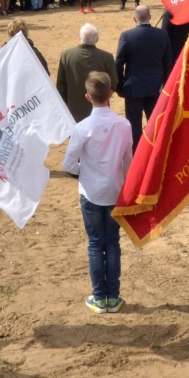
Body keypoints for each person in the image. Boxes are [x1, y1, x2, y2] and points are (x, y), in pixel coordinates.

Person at [61, 71, 133, 314]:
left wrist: (86, 170)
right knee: (112, 243)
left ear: (88, 97)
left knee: (95, 243)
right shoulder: (124, 124)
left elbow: (68, 164)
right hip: (115, 191)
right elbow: (128, 162)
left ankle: (99, 297)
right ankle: (113, 296)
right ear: (111, 95)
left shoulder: (82, 128)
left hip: (91, 192)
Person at [115, 5, 172, 147]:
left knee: (134, 125)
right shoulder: (162, 34)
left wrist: (120, 86)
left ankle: (137, 158)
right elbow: (168, 62)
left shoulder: (127, 36)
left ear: (134, 19)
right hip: (156, 88)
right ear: (150, 17)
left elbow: (118, 63)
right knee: (157, 125)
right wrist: (165, 85)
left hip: (133, 88)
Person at [56, 24, 119, 122]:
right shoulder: (106, 57)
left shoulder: (66, 55)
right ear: (97, 39)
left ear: (79, 37)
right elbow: (113, 83)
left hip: (74, 110)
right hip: (100, 108)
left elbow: (61, 85)